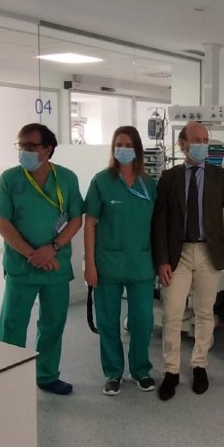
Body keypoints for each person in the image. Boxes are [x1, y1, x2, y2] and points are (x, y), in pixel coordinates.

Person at [151, 122, 224, 401]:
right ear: (182, 144)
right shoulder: (169, 178)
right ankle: (171, 370)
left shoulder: (220, 176)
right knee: (172, 314)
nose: (202, 145)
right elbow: (160, 222)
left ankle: (199, 365)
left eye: (205, 140)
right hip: (178, 254)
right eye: (197, 140)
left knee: (204, 313)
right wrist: (161, 260)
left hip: (208, 253)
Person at [0, 123, 85, 395]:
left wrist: (52, 248)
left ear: (48, 149)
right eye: (21, 145)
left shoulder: (66, 178)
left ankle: (47, 374)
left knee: (53, 323)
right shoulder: (10, 179)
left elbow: (76, 219)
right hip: (22, 265)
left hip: (55, 265)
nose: (24, 150)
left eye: (31, 146)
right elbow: (2, 223)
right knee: (12, 324)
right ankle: (5, 377)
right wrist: (34, 255)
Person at [84, 126, 159, 396]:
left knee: (143, 320)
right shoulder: (102, 181)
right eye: (119, 144)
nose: (123, 149)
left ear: (137, 149)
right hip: (107, 264)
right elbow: (89, 223)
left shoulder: (148, 184)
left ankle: (140, 369)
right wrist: (89, 264)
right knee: (107, 321)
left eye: (128, 145)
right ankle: (113, 372)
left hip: (141, 263)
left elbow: (156, 225)